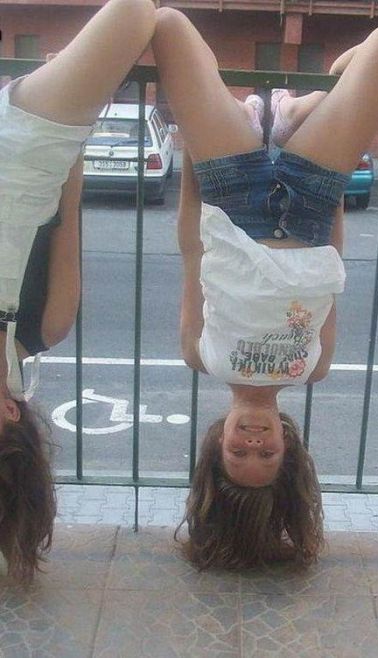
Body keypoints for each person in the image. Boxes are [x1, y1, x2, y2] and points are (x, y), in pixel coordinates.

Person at [148, 8, 378, 570]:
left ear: (216, 443)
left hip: (231, 191)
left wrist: (193, 163)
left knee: (167, 25)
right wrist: (334, 189)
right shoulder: (314, 367)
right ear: (288, 447)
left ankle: (273, 116)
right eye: (265, 455)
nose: (253, 442)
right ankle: (291, 114)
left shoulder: (200, 355)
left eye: (238, 453)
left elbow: (193, 253)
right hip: (311, 200)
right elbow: (330, 270)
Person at [0, 0, 157, 584]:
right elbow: (67, 217)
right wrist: (74, 117)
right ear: (10, 412)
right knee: (136, 13)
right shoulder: (44, 325)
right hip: (23, 153)